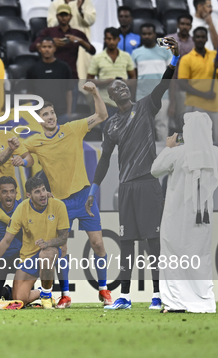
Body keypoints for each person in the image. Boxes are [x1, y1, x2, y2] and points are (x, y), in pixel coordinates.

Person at [86, 37, 181, 310]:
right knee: (127, 243)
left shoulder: (145, 107)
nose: (122, 89)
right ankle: (124, 296)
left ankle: (158, 294)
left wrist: (174, 58)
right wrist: (94, 189)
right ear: (112, 97)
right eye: (117, 88)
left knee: (153, 243)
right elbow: (104, 161)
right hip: (126, 187)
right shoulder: (111, 126)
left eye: (124, 85)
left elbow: (164, 84)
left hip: (149, 184)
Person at [19, 82, 112, 309]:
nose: (49, 117)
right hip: (60, 203)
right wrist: (20, 160)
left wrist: (95, 93)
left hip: (84, 196)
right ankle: (65, 294)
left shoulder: (73, 128)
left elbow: (102, 114)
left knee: (98, 243)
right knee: (61, 249)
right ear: (40, 121)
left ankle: (103, 289)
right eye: (45, 115)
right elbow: (28, 157)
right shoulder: (34, 141)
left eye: (51, 113)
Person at [151, 113, 217, 313]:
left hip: (176, 216)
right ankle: (203, 301)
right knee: (200, 257)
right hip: (203, 218)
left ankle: (176, 302)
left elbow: (154, 170)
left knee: (173, 257)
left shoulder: (177, 153)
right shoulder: (215, 153)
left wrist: (168, 148)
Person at [0, 177, 70, 309]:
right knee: (19, 299)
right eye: (37, 192)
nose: (42, 194)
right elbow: (6, 241)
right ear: (29, 195)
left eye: (43, 190)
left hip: (51, 251)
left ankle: (48, 296)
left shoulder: (58, 205)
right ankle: (42, 292)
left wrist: (47, 243)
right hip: (28, 257)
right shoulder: (22, 209)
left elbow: (63, 237)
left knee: (46, 254)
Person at [31, 3, 95, 80]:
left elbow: (92, 50)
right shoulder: (49, 32)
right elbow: (32, 47)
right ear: (57, 16)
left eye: (66, 15)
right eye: (61, 15)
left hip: (71, 74)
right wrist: (50, 43)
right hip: (53, 74)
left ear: (70, 16)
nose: (63, 18)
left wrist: (80, 40)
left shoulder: (77, 33)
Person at [131, 23, 172, 141]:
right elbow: (134, 79)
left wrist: (172, 101)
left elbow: (171, 78)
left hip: (162, 97)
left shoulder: (165, 51)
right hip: (142, 97)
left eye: (150, 33)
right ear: (140, 35)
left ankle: (165, 156)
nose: (147, 36)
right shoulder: (136, 53)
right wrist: (133, 100)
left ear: (154, 34)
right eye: (144, 34)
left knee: (162, 127)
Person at [178, 27, 218, 142]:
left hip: (215, 107)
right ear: (193, 39)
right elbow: (182, 84)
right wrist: (204, 95)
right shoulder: (186, 59)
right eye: (198, 37)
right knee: (196, 142)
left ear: (206, 39)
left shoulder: (215, 56)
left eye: (203, 37)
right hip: (195, 106)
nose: (200, 39)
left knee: (215, 143)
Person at [87, 27, 136, 117]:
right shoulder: (97, 58)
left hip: (124, 103)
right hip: (105, 103)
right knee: (106, 130)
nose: (112, 42)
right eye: (109, 39)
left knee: (125, 131)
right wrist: (106, 82)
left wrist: (126, 83)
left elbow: (133, 77)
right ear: (105, 40)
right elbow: (89, 80)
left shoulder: (126, 56)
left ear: (118, 39)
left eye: (114, 39)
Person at [27, 37, 74, 124]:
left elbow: (69, 91)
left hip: (61, 114)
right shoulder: (33, 69)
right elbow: (29, 93)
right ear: (40, 49)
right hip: (40, 115)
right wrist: (31, 114)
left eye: (49, 47)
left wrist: (69, 112)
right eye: (44, 47)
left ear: (54, 48)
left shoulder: (64, 68)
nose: (47, 49)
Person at [167, 14, 195, 132]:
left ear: (191, 26)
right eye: (182, 24)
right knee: (171, 120)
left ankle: (185, 145)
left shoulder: (195, 42)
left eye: (187, 24)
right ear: (178, 25)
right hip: (171, 85)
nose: (184, 27)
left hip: (189, 86)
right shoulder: (168, 39)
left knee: (185, 119)